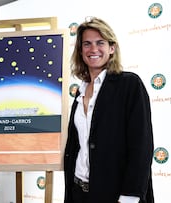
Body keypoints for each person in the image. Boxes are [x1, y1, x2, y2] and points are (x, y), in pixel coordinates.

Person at [64, 17, 154, 203]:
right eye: (87, 44)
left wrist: (130, 196)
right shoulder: (79, 93)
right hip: (78, 191)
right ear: (80, 51)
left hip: (115, 194)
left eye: (100, 43)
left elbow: (141, 146)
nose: (93, 49)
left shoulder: (129, 85)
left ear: (111, 48)